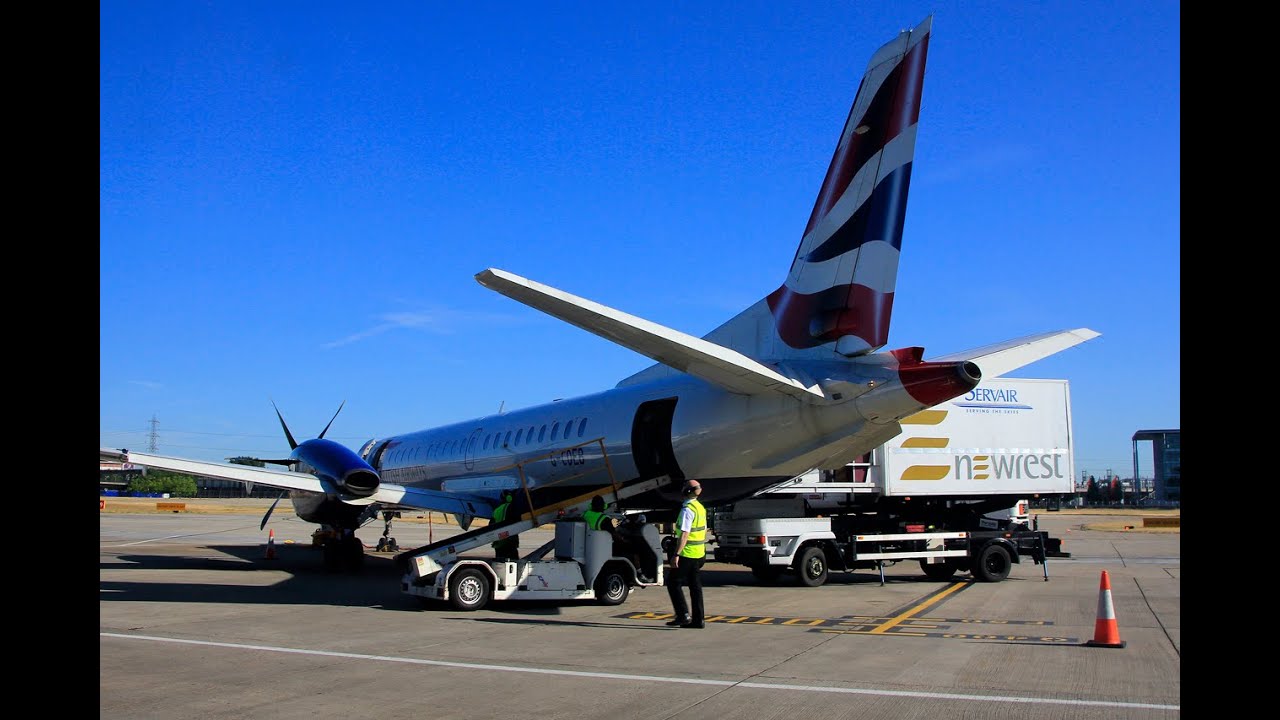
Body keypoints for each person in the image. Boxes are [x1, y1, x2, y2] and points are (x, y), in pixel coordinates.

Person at [665, 479, 707, 628]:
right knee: (695, 587)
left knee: (673, 582)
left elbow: (685, 534)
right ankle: (699, 619)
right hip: (699, 553)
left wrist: (676, 554)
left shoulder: (687, 509)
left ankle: (682, 615)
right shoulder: (700, 508)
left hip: (687, 553)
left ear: (686, 492)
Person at [491, 490, 520, 561]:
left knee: (500, 563)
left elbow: (491, 524)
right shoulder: (511, 507)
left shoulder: (496, 510)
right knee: (514, 563)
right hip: (508, 542)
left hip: (498, 543)